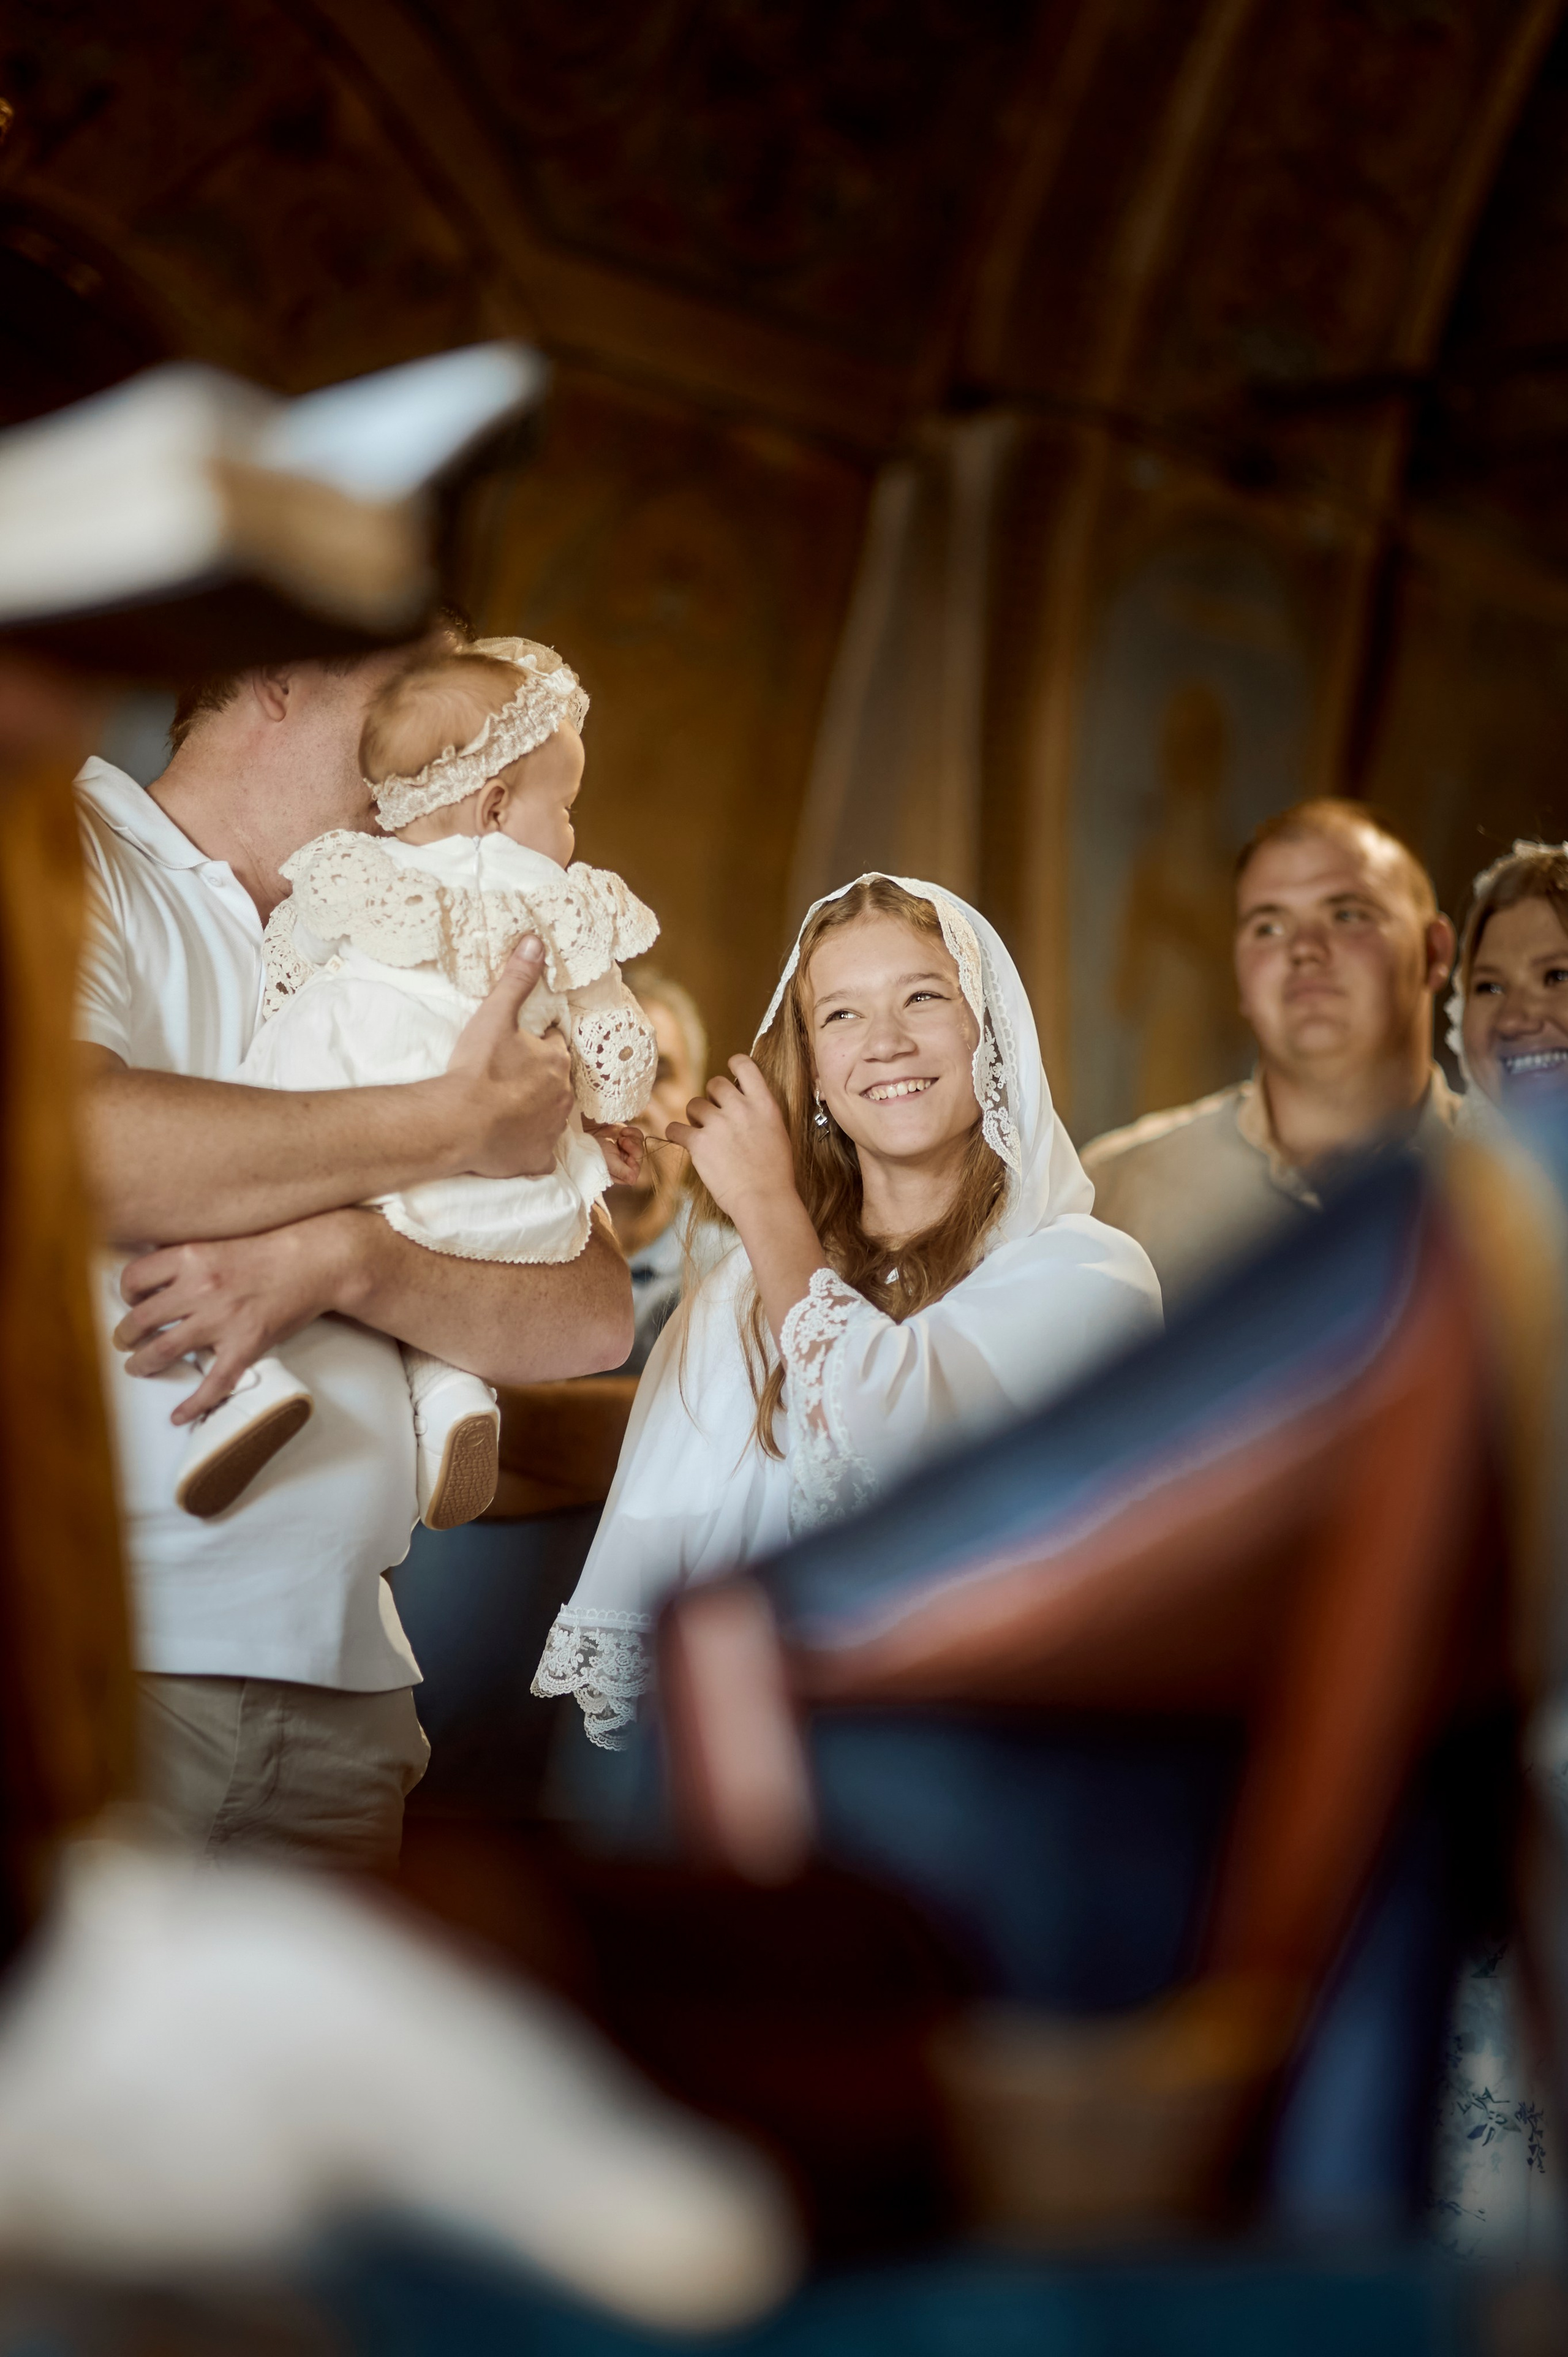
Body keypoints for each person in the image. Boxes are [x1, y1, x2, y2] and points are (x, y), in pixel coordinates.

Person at [73, 641, 633, 1870]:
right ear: (274, 674)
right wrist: (444, 1124)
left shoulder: (419, 934)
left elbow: (589, 1311)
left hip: (351, 1673)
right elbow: (72, 1143)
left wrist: (350, 1261)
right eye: (394, 700)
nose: (418, 750)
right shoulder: (68, 853)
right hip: (110, 1657)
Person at [534, 872, 1163, 1748]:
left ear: (994, 1034)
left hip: (978, 1765)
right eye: (842, 1014)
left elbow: (898, 1448)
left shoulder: (1092, 1278)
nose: (887, 1043)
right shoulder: (737, 1301)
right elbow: (651, 1608)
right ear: (817, 1075)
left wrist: (763, 1204)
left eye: (924, 996)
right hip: (748, 1778)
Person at [176, 637, 654, 1528]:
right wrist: (605, 1108)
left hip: (343, 1057)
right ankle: (454, 1398)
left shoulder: (354, 873)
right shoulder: (554, 898)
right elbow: (603, 1011)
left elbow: (598, 1319)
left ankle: (255, 1393)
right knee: (451, 1237)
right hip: (178, 1618)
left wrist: (286, 1007)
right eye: (398, 693)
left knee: (306, 1200)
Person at [1084, 798, 1460, 1310]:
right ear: (1239, 973)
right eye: (1269, 927)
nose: (1304, 948)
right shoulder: (1111, 1195)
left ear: (1435, 953)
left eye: (1348, 915)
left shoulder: (1527, 1181)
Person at [606, 966, 722, 1373]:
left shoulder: (733, 1274)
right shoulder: (514, 1253)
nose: (633, 1106)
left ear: (697, 1107)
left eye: (659, 1075)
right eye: (608, 1075)